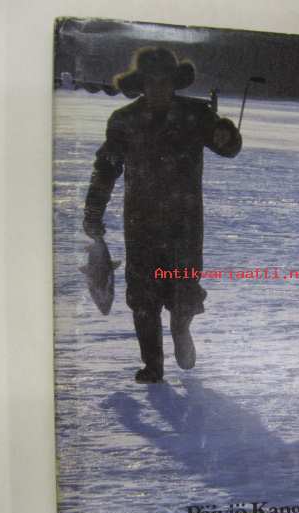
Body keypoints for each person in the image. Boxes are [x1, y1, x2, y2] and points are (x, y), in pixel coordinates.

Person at [83, 47, 242, 383]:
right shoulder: (124, 120)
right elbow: (106, 168)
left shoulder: (196, 115)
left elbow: (227, 148)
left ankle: (181, 329)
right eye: (151, 82)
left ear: (174, 83)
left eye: (164, 81)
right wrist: (94, 211)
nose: (157, 88)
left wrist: (227, 133)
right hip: (141, 224)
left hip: (184, 226)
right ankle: (153, 365)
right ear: (141, 84)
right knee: (143, 298)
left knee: (183, 290)